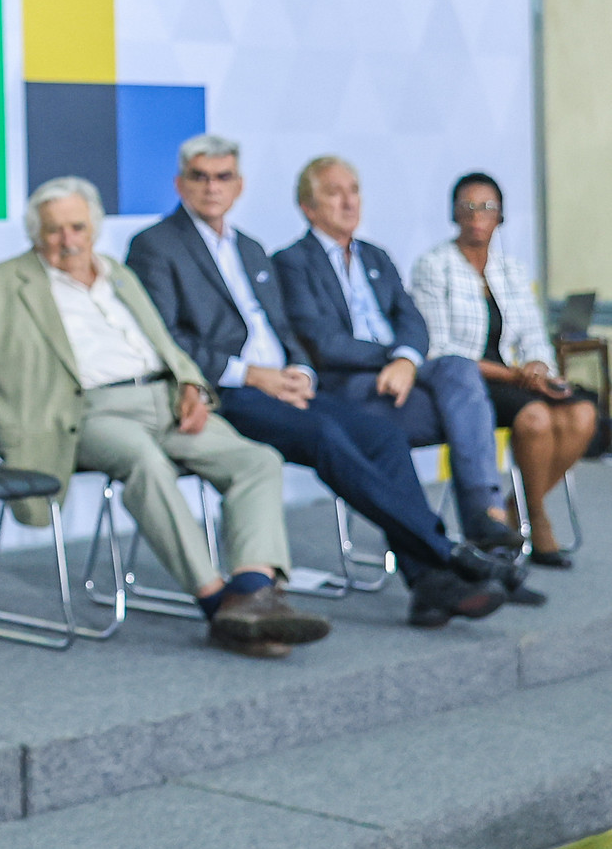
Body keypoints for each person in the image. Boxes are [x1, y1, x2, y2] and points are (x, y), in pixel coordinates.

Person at [0, 176, 332, 658]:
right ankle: (217, 603)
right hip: (85, 413)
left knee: (257, 460)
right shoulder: (0, 285)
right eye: (54, 230)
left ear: (95, 228)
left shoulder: (118, 274)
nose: (68, 240)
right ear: (35, 233)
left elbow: (164, 343)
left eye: (77, 227)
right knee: (145, 462)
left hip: (165, 403)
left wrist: (191, 386)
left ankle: (253, 592)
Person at [127, 136, 511, 626]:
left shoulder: (248, 247)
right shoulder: (155, 246)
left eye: (223, 176)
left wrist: (299, 373)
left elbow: (284, 330)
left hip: (286, 386)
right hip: (230, 391)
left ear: (239, 185)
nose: (212, 187)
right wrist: (254, 375)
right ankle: (447, 554)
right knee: (328, 436)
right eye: (200, 177)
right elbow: (166, 336)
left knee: (384, 437)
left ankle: (432, 586)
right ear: (180, 184)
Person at [274, 156, 526, 561]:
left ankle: (484, 518)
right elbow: (323, 342)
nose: (349, 202)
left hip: (404, 375)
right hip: (352, 384)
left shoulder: (376, 256)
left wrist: (407, 359)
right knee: (464, 412)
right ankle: (449, 552)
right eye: (334, 193)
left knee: (460, 369)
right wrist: (394, 359)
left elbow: (413, 320)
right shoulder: (291, 262)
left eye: (353, 191)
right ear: (308, 207)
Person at [412, 172, 598, 568]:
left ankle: (518, 511)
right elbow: (440, 350)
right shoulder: (434, 266)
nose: (478, 215)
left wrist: (537, 366)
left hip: (516, 377)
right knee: (536, 419)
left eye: (488, 207)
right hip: (467, 384)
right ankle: (540, 522)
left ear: (501, 216)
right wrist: (516, 374)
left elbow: (534, 336)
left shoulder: (510, 270)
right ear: (455, 214)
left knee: (582, 415)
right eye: (469, 206)